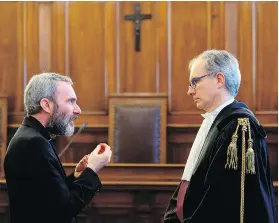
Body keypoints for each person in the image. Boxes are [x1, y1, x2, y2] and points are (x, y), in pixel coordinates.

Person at [164, 50, 277, 223]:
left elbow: (226, 202)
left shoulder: (238, 126)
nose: (189, 91)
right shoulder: (216, 120)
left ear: (219, 79)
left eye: (195, 82)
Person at [4, 73, 112, 223]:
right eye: (70, 101)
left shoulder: (32, 136)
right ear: (47, 105)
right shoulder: (33, 143)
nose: (78, 110)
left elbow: (48, 198)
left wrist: (77, 176)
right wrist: (92, 169)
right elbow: (64, 209)